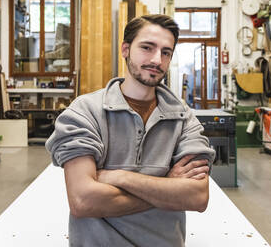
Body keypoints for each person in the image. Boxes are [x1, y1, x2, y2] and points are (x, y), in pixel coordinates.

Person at [46, 14, 215, 247]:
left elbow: (197, 197)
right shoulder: (86, 112)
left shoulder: (184, 117)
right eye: (147, 48)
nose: (157, 60)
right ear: (125, 49)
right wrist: (166, 185)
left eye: (166, 52)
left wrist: (118, 176)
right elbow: (83, 201)